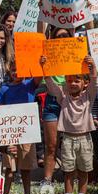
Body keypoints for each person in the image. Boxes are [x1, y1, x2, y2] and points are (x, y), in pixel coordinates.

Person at [41, 55, 97, 194]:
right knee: (69, 170)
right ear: (66, 81)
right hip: (67, 139)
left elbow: (95, 81)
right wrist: (45, 68)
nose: (72, 83)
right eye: (70, 80)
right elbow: (51, 84)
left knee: (84, 169)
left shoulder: (88, 96)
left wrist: (92, 67)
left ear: (85, 83)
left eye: (77, 80)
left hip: (85, 138)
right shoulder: (62, 96)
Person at [0, 63, 42, 194]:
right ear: (9, 72)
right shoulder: (4, 88)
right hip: (9, 132)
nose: (16, 73)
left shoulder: (29, 84)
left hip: (27, 131)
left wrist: (39, 63)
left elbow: (39, 77)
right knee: (9, 167)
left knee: (26, 167)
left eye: (19, 69)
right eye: (13, 70)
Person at [40, 26, 74, 185]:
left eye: (65, 35)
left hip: (71, 102)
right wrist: (41, 12)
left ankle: (71, 182)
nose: (62, 38)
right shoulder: (47, 55)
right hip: (52, 101)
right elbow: (40, 33)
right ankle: (47, 181)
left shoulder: (76, 54)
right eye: (58, 36)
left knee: (70, 144)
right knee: (51, 145)